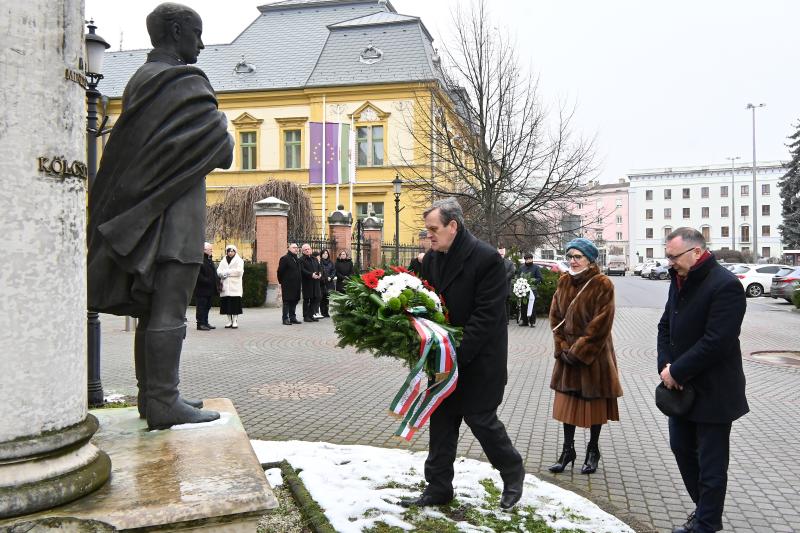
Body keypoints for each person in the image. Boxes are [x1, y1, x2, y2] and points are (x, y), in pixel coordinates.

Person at [86, 3, 232, 429]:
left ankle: (153, 399)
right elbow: (220, 147)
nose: (201, 44)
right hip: (175, 218)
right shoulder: (181, 80)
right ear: (174, 30)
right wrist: (218, 126)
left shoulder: (140, 81)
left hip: (152, 217)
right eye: (196, 33)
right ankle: (163, 401)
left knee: (153, 312)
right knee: (169, 310)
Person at [402, 197, 525, 510]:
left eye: (433, 229)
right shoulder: (431, 259)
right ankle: (438, 487)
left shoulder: (486, 260)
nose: (428, 235)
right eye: (427, 229)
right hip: (444, 359)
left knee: (481, 421)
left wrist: (455, 356)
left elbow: (486, 318)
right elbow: (427, 307)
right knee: (441, 423)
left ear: (452, 226)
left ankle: (512, 472)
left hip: (479, 361)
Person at [657, 228, 747, 533]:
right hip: (680, 388)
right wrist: (666, 366)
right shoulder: (679, 279)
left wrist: (677, 371)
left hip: (714, 392)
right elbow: (665, 325)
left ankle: (706, 524)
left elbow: (717, 341)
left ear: (697, 252)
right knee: (681, 448)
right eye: (667, 256)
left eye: (673, 256)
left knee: (711, 464)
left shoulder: (726, 285)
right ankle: (704, 510)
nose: (669, 262)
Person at [548, 238, 622, 475]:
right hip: (567, 354)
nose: (573, 261)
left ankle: (593, 450)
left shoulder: (603, 284)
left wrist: (579, 350)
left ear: (590, 259)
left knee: (594, 405)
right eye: (570, 256)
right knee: (567, 405)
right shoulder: (563, 281)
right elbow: (555, 317)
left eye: (578, 257)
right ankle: (567, 450)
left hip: (594, 355)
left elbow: (602, 323)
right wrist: (561, 346)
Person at [217, 244, 244, 328]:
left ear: (235, 252)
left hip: (235, 287)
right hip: (225, 286)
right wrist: (223, 273)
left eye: (232, 251)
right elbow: (218, 271)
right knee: (227, 305)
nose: (230, 253)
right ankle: (229, 321)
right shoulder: (223, 260)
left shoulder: (239, 260)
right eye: (229, 251)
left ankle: (235, 321)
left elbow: (239, 272)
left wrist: (227, 272)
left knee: (235, 305)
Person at [193, 242, 219, 330]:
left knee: (207, 306)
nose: (211, 251)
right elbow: (198, 274)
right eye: (210, 250)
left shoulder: (208, 259)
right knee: (201, 307)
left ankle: (205, 322)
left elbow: (213, 272)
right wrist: (207, 280)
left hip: (209, 289)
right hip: (202, 289)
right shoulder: (200, 259)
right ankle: (200, 324)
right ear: (204, 250)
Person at [277, 243, 302, 326]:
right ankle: (285, 318)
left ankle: (293, 317)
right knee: (287, 301)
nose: (296, 249)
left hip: (296, 284)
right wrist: (282, 282)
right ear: (289, 248)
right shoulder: (285, 258)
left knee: (294, 300)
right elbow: (280, 272)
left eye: (297, 248)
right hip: (287, 284)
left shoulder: (296, 259)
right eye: (294, 247)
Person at [517, 253, 542, 326]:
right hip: (523, 290)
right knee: (523, 306)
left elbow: (539, 278)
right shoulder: (522, 268)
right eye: (527, 259)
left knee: (532, 306)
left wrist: (532, 281)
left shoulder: (536, 267)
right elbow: (518, 277)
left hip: (532, 290)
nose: (528, 260)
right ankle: (524, 321)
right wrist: (521, 283)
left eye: (530, 259)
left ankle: (532, 322)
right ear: (525, 260)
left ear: (532, 259)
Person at [299, 243, 322, 322]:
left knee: (314, 299)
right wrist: (311, 274)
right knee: (307, 299)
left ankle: (312, 315)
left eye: (308, 249)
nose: (307, 250)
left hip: (315, 282)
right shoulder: (301, 260)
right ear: (303, 251)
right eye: (305, 250)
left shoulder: (314, 259)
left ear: (311, 250)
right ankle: (306, 316)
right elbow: (302, 270)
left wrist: (319, 274)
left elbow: (319, 267)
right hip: (307, 282)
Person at [498, 246, 516, 325]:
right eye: (500, 253)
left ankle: (506, 319)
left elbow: (512, 272)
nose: (501, 255)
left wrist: (503, 278)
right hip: (497, 288)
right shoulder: (495, 262)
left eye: (502, 253)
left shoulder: (509, 263)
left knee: (506, 304)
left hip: (506, 287)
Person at [319, 249, 336, 317]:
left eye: (326, 253)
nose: (325, 254)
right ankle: (322, 312)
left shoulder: (331, 262)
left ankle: (326, 312)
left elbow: (334, 270)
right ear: (321, 255)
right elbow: (319, 271)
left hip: (329, 282)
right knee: (322, 298)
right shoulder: (320, 262)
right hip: (322, 282)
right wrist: (324, 278)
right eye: (324, 253)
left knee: (327, 298)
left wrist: (331, 277)